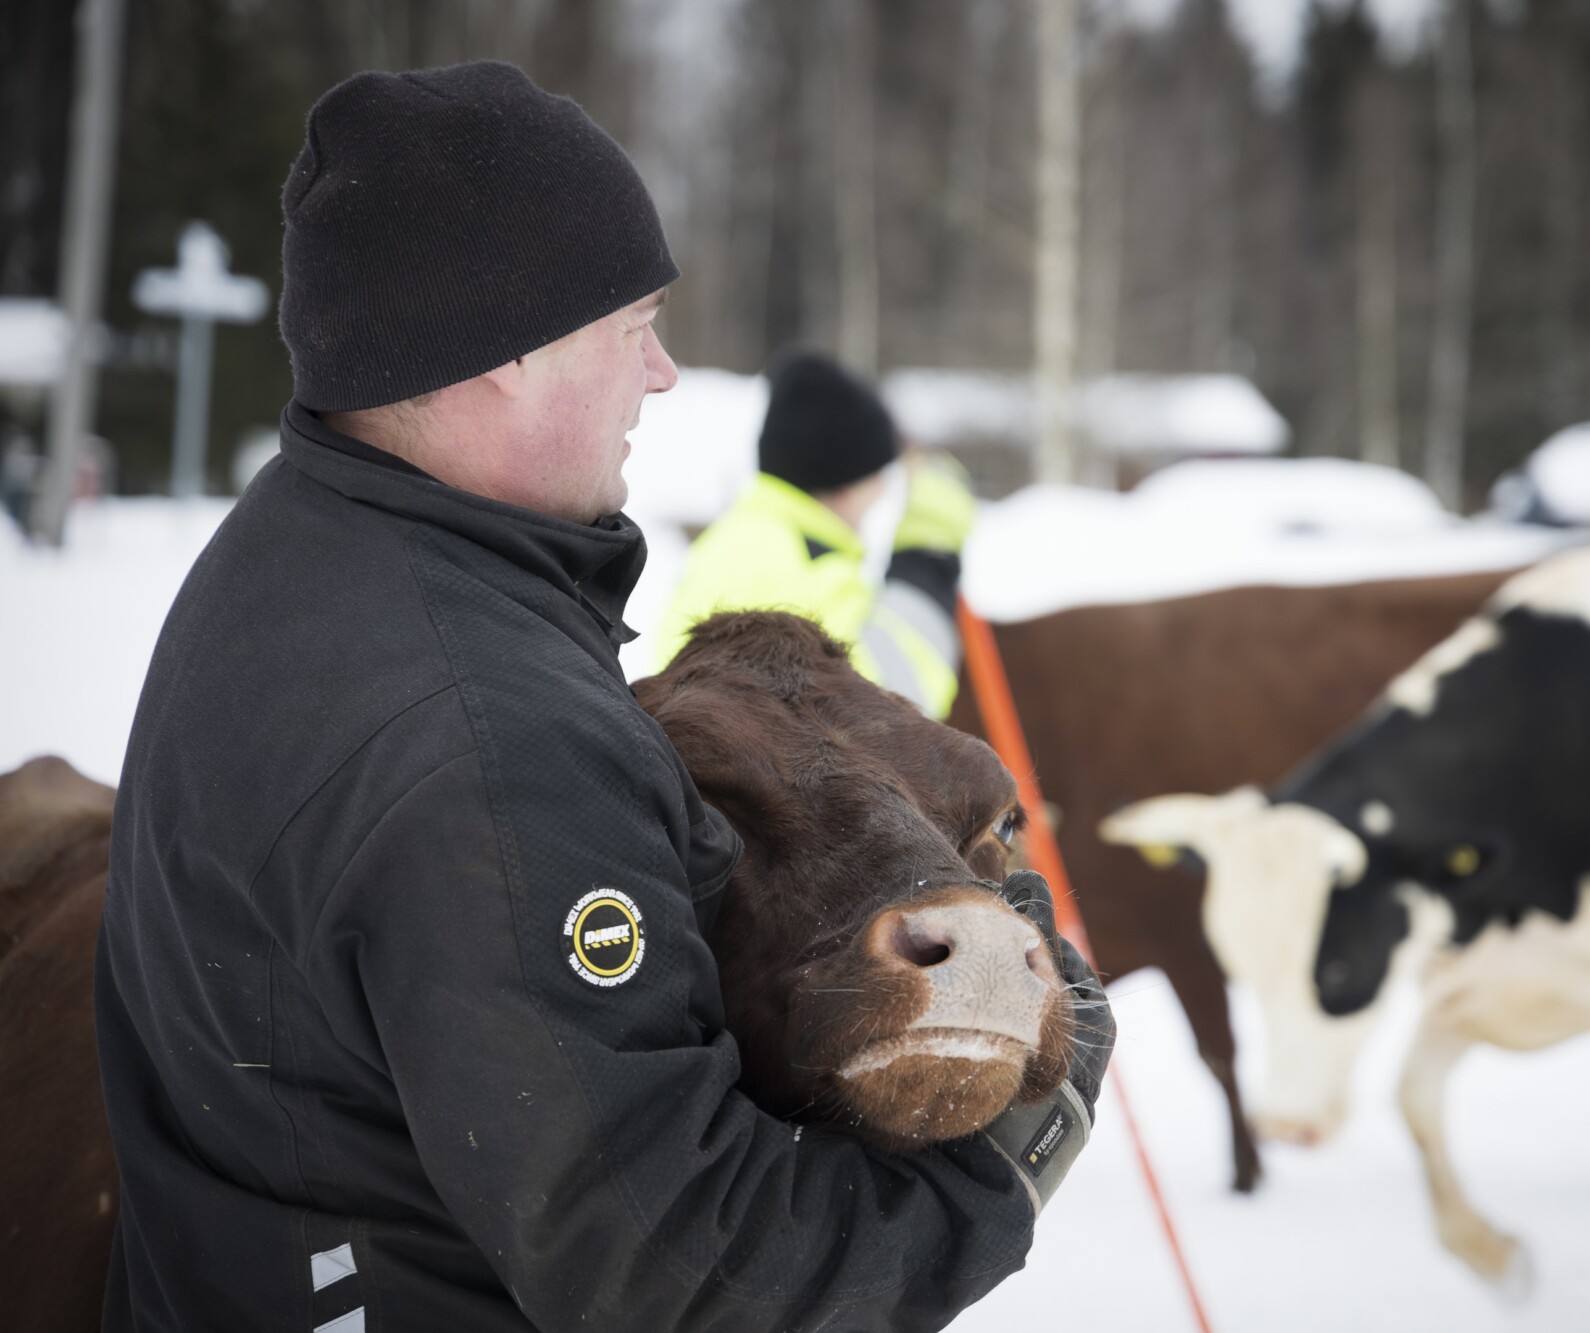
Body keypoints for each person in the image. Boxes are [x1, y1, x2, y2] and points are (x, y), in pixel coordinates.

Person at [94, 61, 1107, 1332]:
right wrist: (1000, 1160)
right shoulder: (488, 737)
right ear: (503, 347)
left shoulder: (290, 556)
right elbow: (679, 1272)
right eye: (634, 324)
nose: (663, 373)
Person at [642, 350, 975, 719]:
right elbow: (890, 711)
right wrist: (926, 556)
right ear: (845, 485)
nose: (882, 490)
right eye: (877, 475)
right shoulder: (805, 567)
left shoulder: (734, 541)